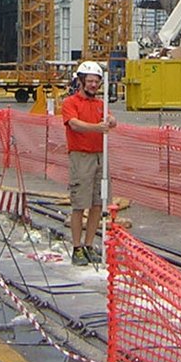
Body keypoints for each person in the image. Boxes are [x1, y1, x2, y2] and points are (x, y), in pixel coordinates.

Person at [61, 60, 116, 266]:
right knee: (79, 204)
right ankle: (77, 247)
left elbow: (111, 118)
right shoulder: (70, 103)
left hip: (100, 156)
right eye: (90, 81)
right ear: (82, 81)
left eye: (96, 81)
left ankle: (89, 244)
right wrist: (97, 128)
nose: (93, 85)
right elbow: (74, 124)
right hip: (81, 156)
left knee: (96, 203)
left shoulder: (101, 105)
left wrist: (110, 121)